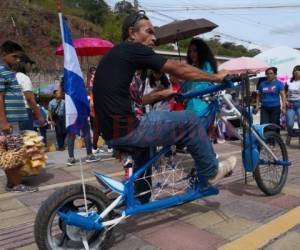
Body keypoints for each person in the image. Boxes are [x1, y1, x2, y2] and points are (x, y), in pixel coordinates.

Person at [93, 10, 237, 203]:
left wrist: (160, 94)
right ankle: (212, 171)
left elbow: (135, 101)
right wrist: (215, 77)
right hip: (128, 128)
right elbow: (179, 69)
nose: (154, 38)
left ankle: (141, 196)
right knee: (191, 120)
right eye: (149, 32)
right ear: (132, 33)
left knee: (145, 149)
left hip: (114, 130)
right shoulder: (132, 50)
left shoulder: (117, 57)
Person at [0, 40, 37, 192]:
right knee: (13, 153)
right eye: (14, 56)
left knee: (13, 152)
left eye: (18, 58)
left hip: (13, 121)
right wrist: (3, 121)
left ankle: (12, 182)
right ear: (3, 55)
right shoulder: (2, 72)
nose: (17, 60)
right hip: (9, 122)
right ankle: (16, 184)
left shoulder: (9, 73)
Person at [183, 38, 217, 116]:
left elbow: (207, 84)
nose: (192, 54)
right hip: (190, 108)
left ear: (201, 51)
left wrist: (191, 91)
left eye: (195, 51)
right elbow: (186, 88)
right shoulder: (191, 67)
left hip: (203, 108)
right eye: (190, 51)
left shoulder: (207, 65)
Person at [14, 54, 45, 130]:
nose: (31, 67)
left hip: (13, 111)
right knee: (27, 138)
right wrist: (39, 115)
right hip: (25, 112)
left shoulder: (13, 77)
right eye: (31, 64)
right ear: (26, 64)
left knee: (17, 139)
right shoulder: (24, 78)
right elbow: (29, 98)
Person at [255, 67, 286, 132]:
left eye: (271, 73)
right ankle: (266, 140)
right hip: (264, 108)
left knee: (274, 125)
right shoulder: (262, 84)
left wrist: (283, 106)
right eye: (267, 74)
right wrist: (257, 106)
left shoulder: (279, 83)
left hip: (275, 108)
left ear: (275, 74)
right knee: (264, 125)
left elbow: (283, 95)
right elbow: (258, 96)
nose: (269, 75)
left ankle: (275, 139)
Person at [285, 65, 300, 146]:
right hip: (290, 104)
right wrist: (285, 101)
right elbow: (284, 92)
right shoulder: (288, 82)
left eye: (298, 70)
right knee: (290, 124)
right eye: (295, 70)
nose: (296, 71)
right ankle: (290, 134)